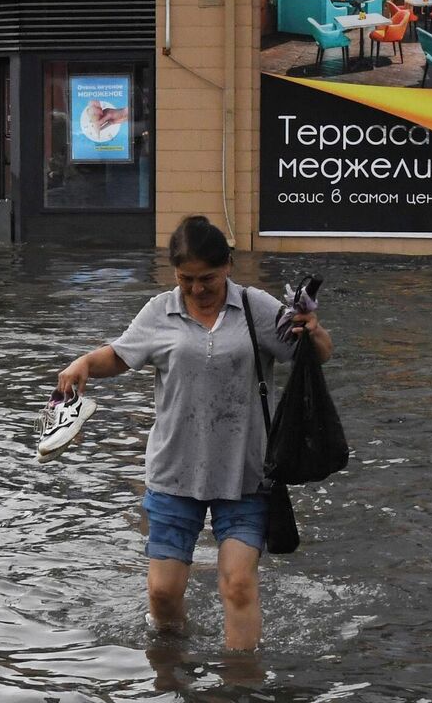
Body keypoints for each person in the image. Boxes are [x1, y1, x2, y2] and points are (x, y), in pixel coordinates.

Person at [55, 215, 334, 651]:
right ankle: (173, 664)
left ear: (228, 266)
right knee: (163, 593)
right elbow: (123, 355)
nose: (197, 289)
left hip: (246, 472)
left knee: (238, 585)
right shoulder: (159, 311)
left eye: (208, 278)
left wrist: (314, 332)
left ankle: (240, 684)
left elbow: (317, 354)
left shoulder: (256, 308)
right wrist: (85, 363)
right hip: (174, 472)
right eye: (186, 279)